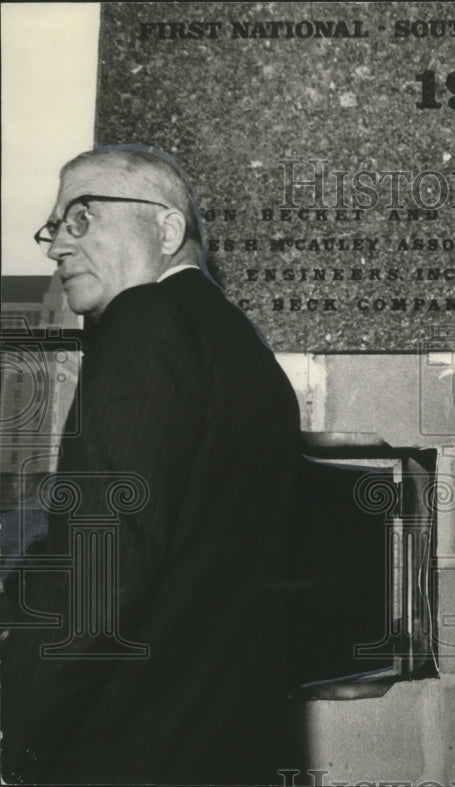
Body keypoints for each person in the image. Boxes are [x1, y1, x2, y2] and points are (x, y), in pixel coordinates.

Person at [0, 146, 303, 784]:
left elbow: (99, 565)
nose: (56, 247)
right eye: (54, 227)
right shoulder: (240, 345)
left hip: (124, 750)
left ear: (166, 230)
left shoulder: (145, 322)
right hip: (217, 746)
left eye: (82, 217)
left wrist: (15, 739)